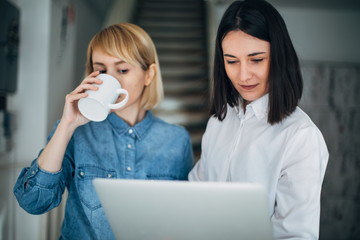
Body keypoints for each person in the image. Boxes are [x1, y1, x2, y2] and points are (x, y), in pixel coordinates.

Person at [14, 23, 194, 239]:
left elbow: (183, 218)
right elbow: (33, 201)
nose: (111, 80)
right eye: (101, 70)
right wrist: (67, 124)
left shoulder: (177, 140)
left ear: (149, 74)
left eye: (123, 70)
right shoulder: (76, 133)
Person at [188, 0, 329, 239]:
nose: (243, 75)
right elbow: (194, 195)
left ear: (279, 57)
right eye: (231, 61)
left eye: (256, 59)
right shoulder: (218, 123)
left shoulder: (300, 137)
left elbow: (296, 234)